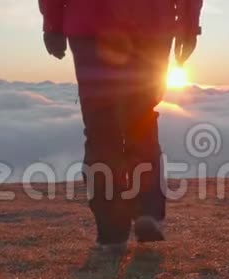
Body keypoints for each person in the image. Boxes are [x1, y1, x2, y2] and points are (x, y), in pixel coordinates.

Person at [39, 0, 203, 249]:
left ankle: (112, 230)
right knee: (141, 121)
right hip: (151, 23)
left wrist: (53, 23)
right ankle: (148, 210)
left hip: (90, 23)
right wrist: (189, 26)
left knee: (101, 127)